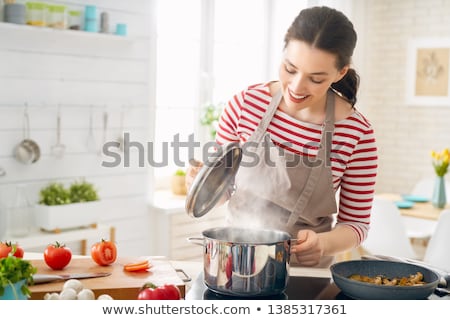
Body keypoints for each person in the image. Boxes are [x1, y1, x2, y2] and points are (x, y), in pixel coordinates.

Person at [186, 6, 377, 267]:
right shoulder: (245, 105)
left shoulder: (357, 133)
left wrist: (322, 244)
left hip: (306, 273)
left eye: (316, 79)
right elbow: (225, 191)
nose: (297, 87)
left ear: (340, 73)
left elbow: (356, 224)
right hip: (236, 263)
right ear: (283, 53)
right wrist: (203, 184)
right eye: (290, 68)